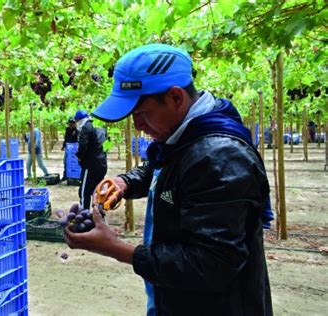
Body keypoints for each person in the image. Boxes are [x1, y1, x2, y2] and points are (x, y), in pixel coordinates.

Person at [65, 44, 273, 315]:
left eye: (141, 113)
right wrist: (126, 182)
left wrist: (117, 249)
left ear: (175, 97)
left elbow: (211, 265)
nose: (137, 125)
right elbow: (161, 168)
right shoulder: (185, 139)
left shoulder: (219, 157)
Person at [74, 109, 107, 210]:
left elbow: (83, 146)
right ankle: (100, 216)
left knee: (84, 193)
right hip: (102, 165)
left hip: (90, 166)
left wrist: (79, 157)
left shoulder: (86, 127)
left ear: (79, 120)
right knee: (98, 192)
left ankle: (85, 217)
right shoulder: (99, 127)